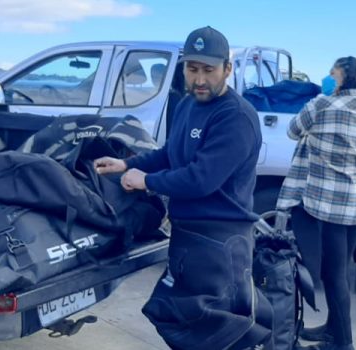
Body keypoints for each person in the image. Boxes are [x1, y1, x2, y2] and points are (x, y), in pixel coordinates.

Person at [94, 26, 270, 350]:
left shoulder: (236, 117)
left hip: (221, 240)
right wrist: (129, 165)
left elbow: (201, 179)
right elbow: (169, 154)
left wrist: (146, 181)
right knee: (182, 325)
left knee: (218, 335)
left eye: (208, 70)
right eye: (192, 69)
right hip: (189, 237)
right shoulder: (189, 105)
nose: (200, 79)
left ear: (227, 70)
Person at [276, 56, 356, 350]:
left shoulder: (321, 105)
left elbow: (293, 130)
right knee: (342, 268)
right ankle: (333, 328)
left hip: (327, 204)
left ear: (342, 78)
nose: (328, 78)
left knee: (334, 275)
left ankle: (343, 343)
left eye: (332, 73)